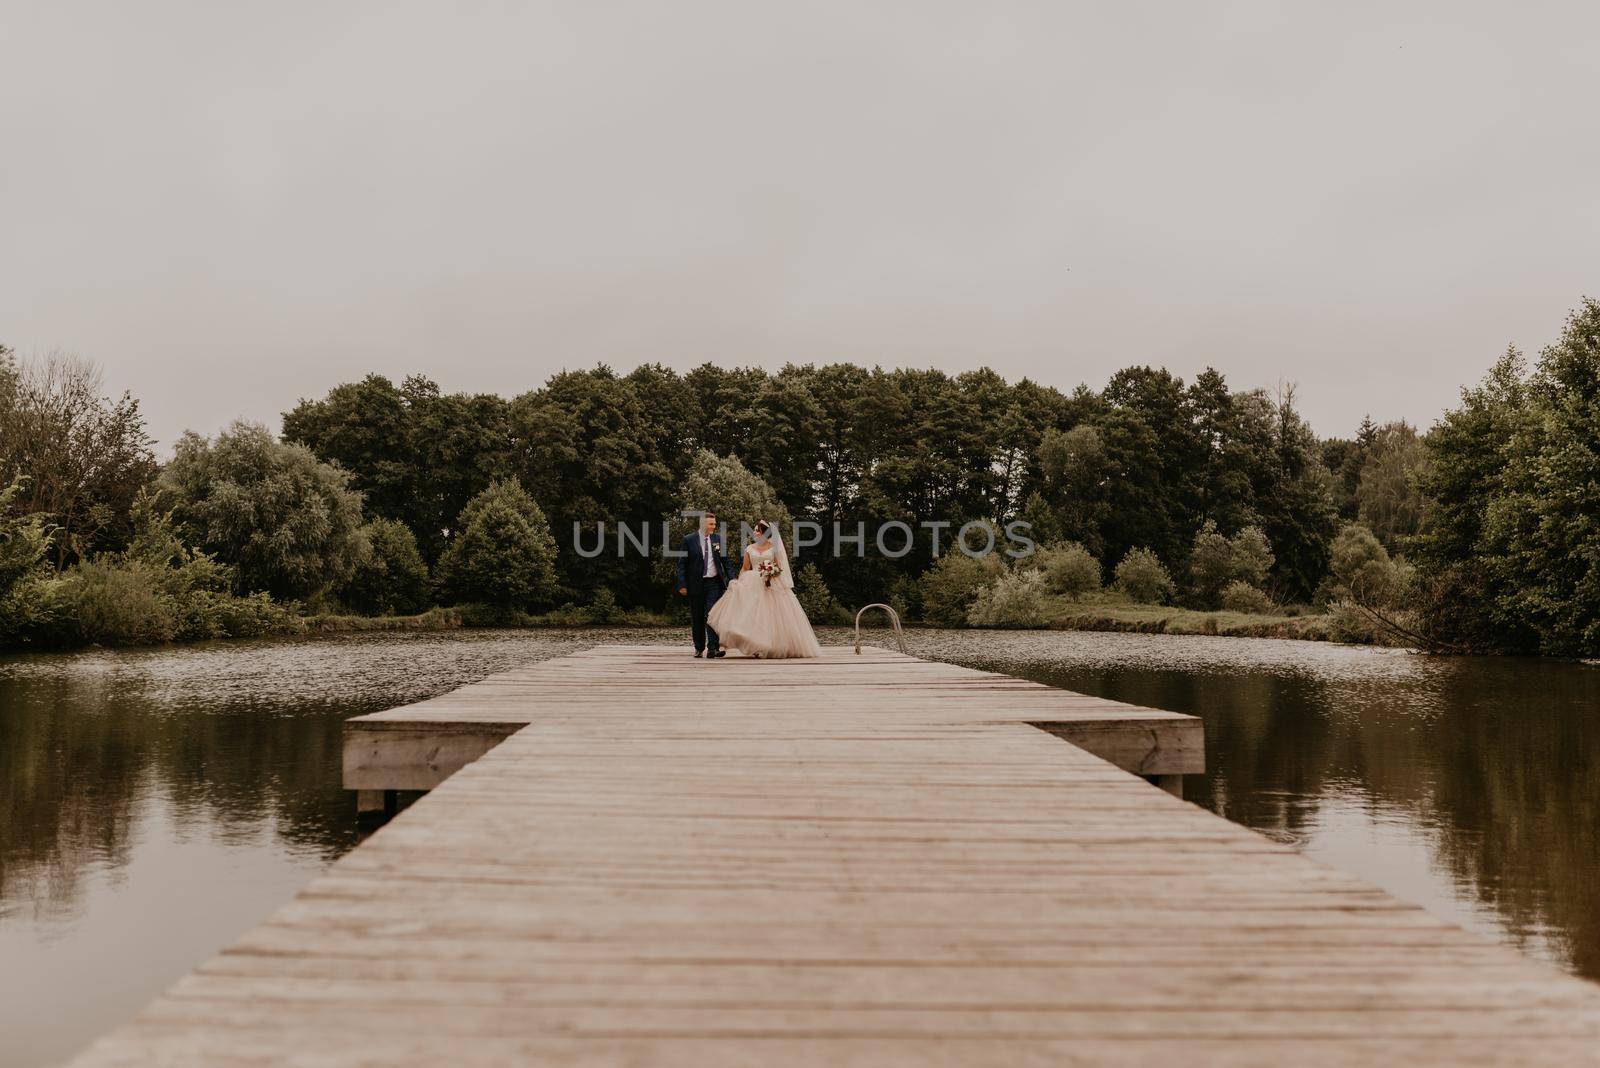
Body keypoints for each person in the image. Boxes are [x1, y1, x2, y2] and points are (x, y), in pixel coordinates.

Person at [708, 519, 822, 658]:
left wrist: (771, 573)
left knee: (771, 617)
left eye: (757, 530)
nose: (754, 532)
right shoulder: (749, 548)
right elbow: (745, 568)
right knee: (752, 615)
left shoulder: (774, 548)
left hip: (770, 583)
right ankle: (756, 646)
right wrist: (739, 582)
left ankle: (772, 646)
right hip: (752, 582)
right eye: (754, 530)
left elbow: (779, 567)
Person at [676, 511, 733, 658]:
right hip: (695, 584)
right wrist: (682, 584)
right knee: (697, 617)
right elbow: (681, 564)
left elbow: (726, 562)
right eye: (711, 524)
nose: (714, 526)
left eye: (714, 523)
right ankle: (699, 647)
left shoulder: (718, 539)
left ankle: (712, 648)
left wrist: (732, 579)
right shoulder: (688, 540)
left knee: (712, 615)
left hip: (714, 583)